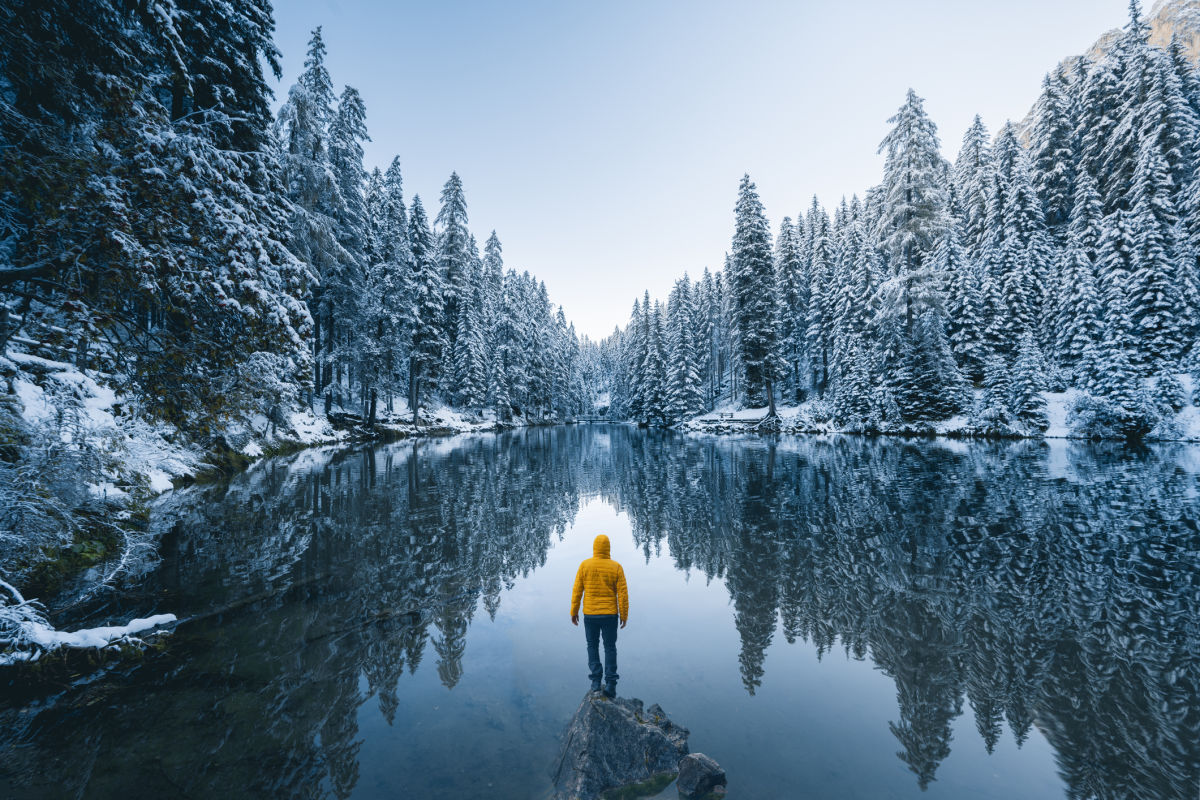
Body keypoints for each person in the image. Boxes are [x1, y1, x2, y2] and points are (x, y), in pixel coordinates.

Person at [570, 534, 629, 698]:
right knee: (610, 647)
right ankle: (610, 684)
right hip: (610, 615)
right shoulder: (616, 567)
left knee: (592, 646)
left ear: (594, 548)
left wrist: (573, 611)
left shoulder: (585, 565)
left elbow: (577, 591)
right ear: (608, 548)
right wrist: (624, 615)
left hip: (590, 615)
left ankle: (596, 682)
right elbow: (623, 595)